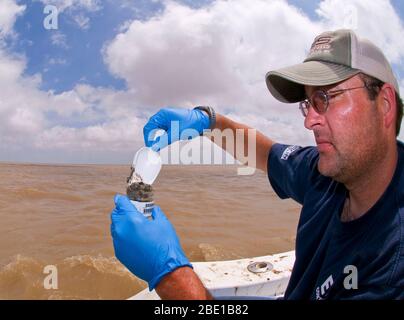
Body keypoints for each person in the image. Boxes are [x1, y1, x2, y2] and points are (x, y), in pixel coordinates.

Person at [110, 29, 404, 299]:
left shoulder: (393, 269)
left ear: (385, 105)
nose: (309, 120)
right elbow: (263, 153)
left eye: (325, 98)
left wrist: (170, 276)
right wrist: (208, 122)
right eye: (308, 103)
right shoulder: (327, 172)